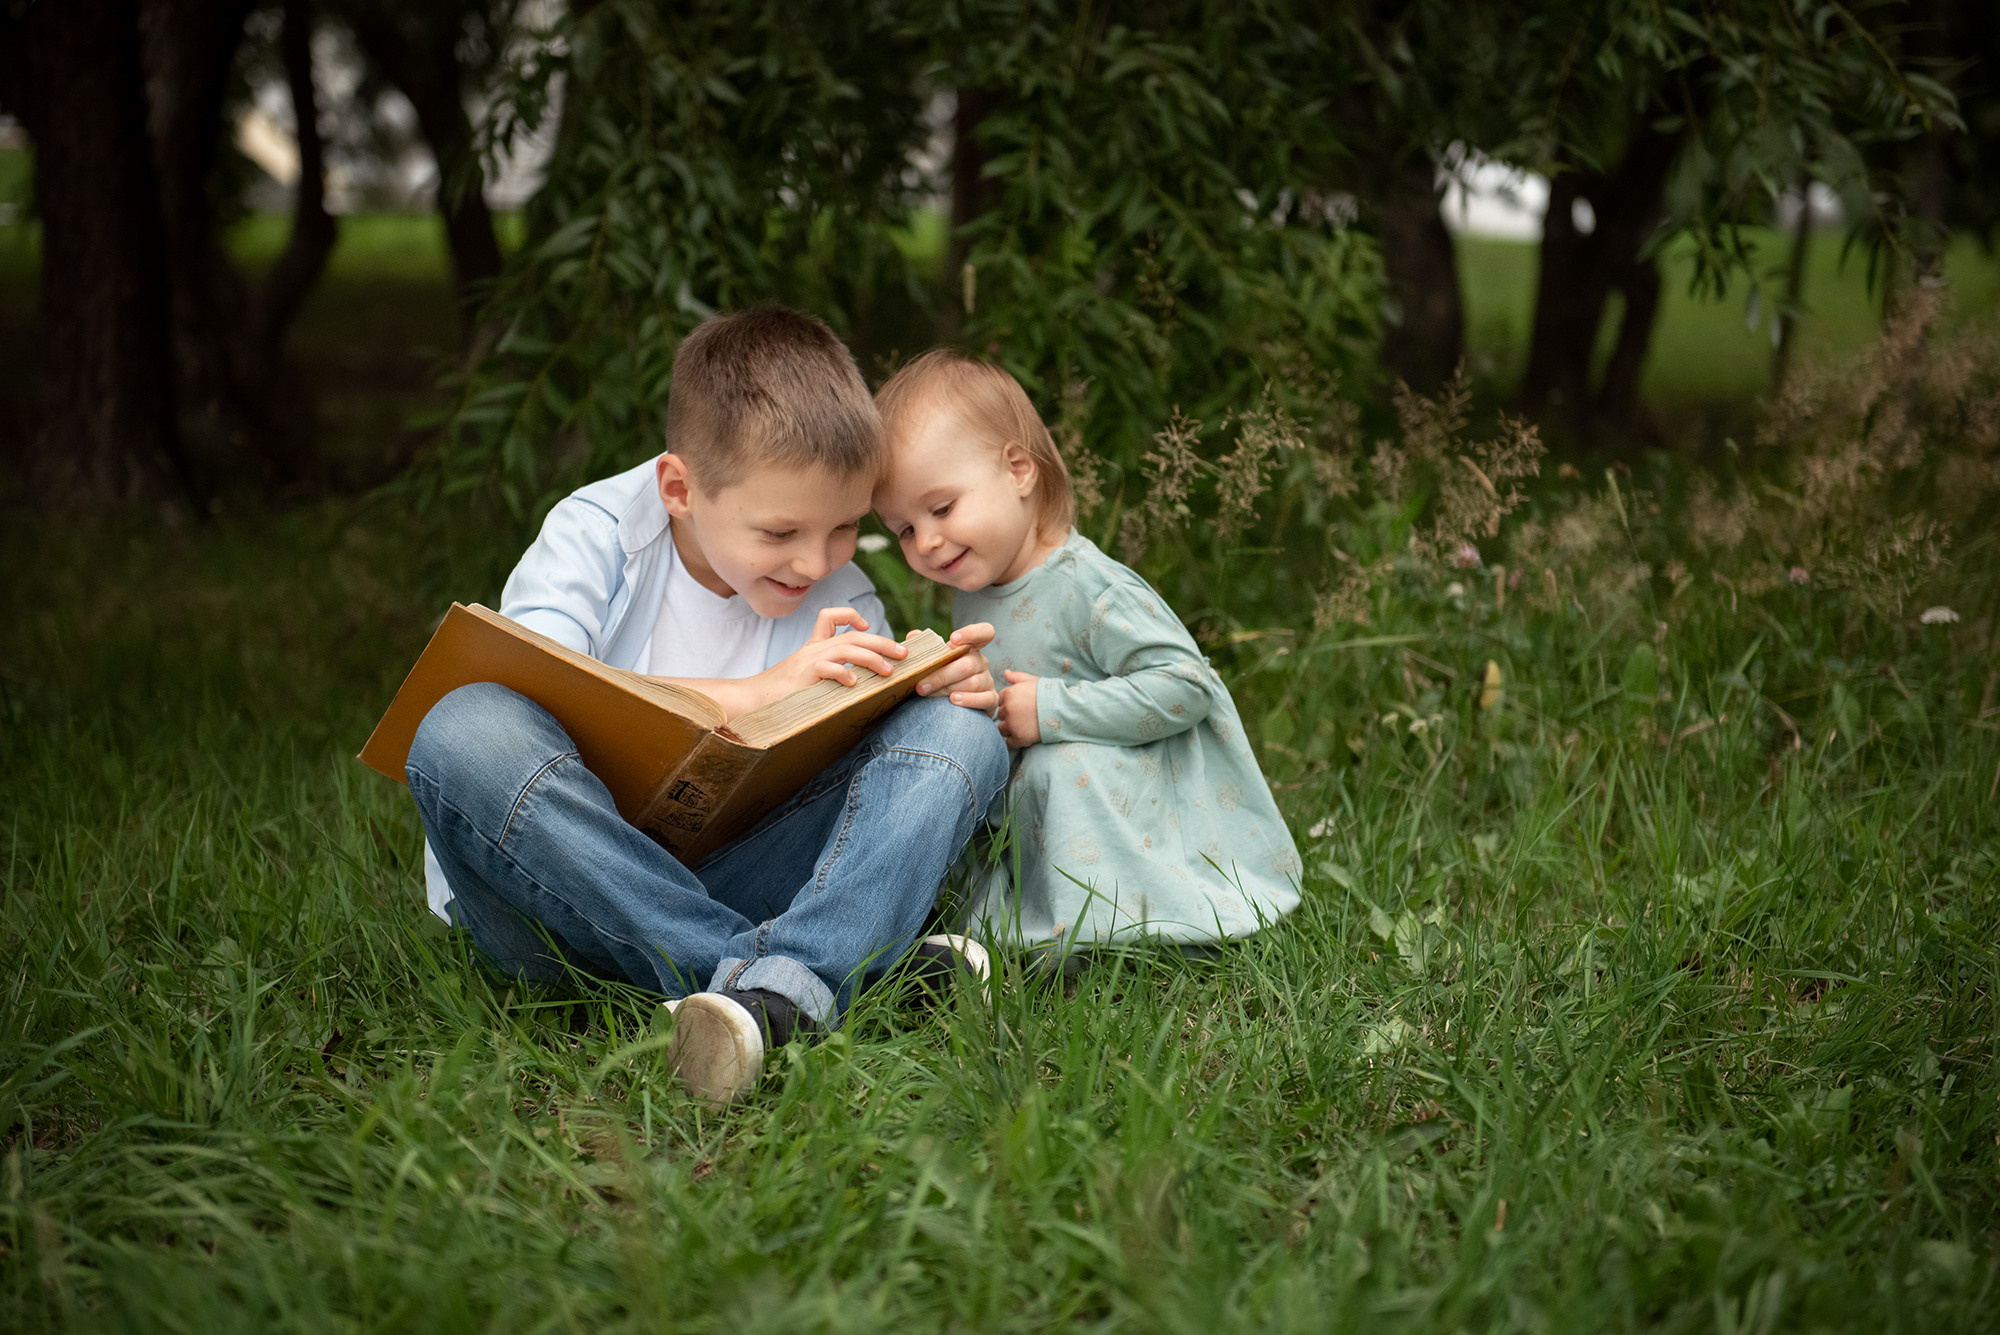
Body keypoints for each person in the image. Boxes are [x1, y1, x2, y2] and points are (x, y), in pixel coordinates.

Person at [405, 308, 1008, 1107]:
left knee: (963, 730)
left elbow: (865, 787)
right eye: (780, 531)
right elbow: (535, 692)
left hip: (742, 873)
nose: (814, 561)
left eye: (844, 528)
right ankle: (802, 982)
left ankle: (756, 1004)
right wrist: (758, 694)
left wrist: (936, 690)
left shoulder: (844, 592)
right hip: (554, 895)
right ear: (680, 489)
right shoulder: (598, 535)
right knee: (463, 726)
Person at [872, 350, 1301, 961]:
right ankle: (1018, 922)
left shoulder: (1089, 586)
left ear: (1019, 470)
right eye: (905, 530)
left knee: (1058, 766)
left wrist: (1051, 709)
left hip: (1137, 798)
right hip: (1048, 808)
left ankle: (1121, 928)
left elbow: (1187, 685)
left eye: (941, 509)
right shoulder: (975, 593)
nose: (928, 542)